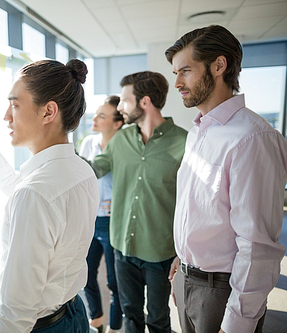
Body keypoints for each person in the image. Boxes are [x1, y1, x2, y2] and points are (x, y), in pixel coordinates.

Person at [165, 25, 287, 333]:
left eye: (186, 71)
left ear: (219, 66)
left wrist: (236, 323)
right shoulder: (198, 132)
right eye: (176, 72)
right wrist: (182, 261)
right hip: (187, 280)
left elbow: (257, 244)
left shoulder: (253, 137)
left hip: (222, 293)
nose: (177, 82)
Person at [0, 59, 99, 333]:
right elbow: (32, 197)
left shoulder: (36, 194)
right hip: (73, 313)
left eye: (15, 105)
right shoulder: (80, 170)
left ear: (48, 112)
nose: (6, 116)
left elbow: (18, 305)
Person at [86, 71, 187, 333]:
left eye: (124, 100)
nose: (120, 107)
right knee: (131, 315)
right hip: (122, 247)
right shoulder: (121, 140)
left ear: (144, 102)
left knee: (158, 319)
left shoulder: (184, 142)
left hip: (160, 252)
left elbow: (193, 203)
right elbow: (94, 168)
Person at [79, 95, 124, 333]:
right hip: (90, 220)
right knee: (84, 274)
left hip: (114, 221)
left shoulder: (125, 146)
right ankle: (96, 322)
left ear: (117, 123)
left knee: (115, 283)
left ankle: (115, 328)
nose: (94, 118)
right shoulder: (88, 143)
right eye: (96, 113)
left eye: (102, 116)